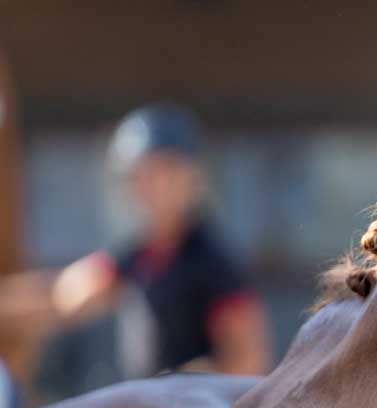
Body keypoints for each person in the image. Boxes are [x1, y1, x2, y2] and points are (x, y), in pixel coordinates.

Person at [0, 104, 270, 384]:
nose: (152, 188)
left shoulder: (214, 266)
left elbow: (247, 364)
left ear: (192, 178)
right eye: (142, 175)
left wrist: (188, 384)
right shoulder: (137, 256)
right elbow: (64, 297)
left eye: (166, 172)